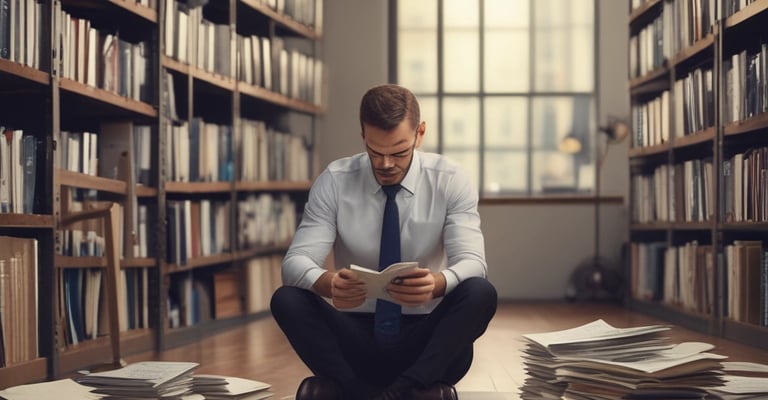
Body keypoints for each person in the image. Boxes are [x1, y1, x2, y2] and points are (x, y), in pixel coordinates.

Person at [270, 84, 497, 400]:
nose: (386, 164)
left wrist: (438, 284)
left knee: (481, 292)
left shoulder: (450, 180)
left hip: (426, 339)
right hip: (356, 338)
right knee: (286, 299)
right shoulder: (335, 180)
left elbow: (474, 263)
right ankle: (393, 392)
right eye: (375, 152)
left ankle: (380, 392)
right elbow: (294, 263)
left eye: (399, 152)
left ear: (420, 133)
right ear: (363, 134)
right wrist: (328, 283)